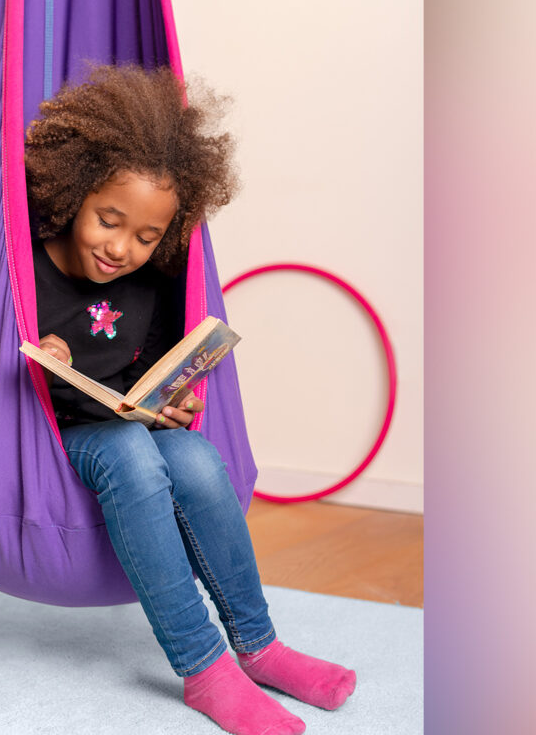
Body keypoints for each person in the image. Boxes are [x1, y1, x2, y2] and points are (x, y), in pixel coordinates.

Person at [25, 65, 356, 735]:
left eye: (146, 236)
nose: (122, 248)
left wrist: (168, 403)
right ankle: (203, 668)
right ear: (74, 192)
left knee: (198, 458)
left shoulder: (149, 282)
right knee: (125, 450)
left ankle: (258, 646)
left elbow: (141, 371)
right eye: (108, 221)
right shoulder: (21, 267)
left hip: (120, 421)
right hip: (48, 440)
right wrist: (40, 354)